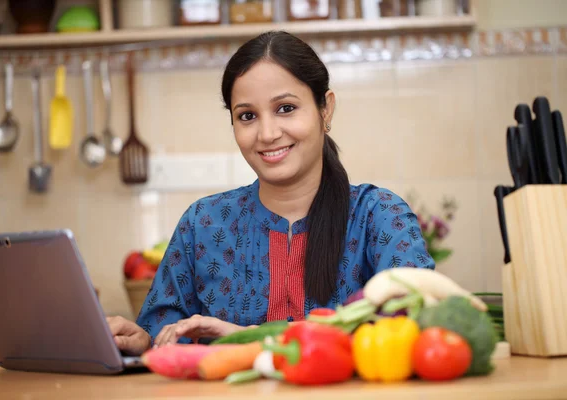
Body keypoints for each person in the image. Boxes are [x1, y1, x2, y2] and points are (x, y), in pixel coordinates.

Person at [107, 30, 435, 355]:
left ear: (326, 109)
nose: (267, 133)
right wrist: (140, 343)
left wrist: (252, 337)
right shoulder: (203, 224)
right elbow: (162, 337)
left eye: (286, 108)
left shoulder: (380, 216)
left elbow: (417, 325)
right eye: (247, 116)